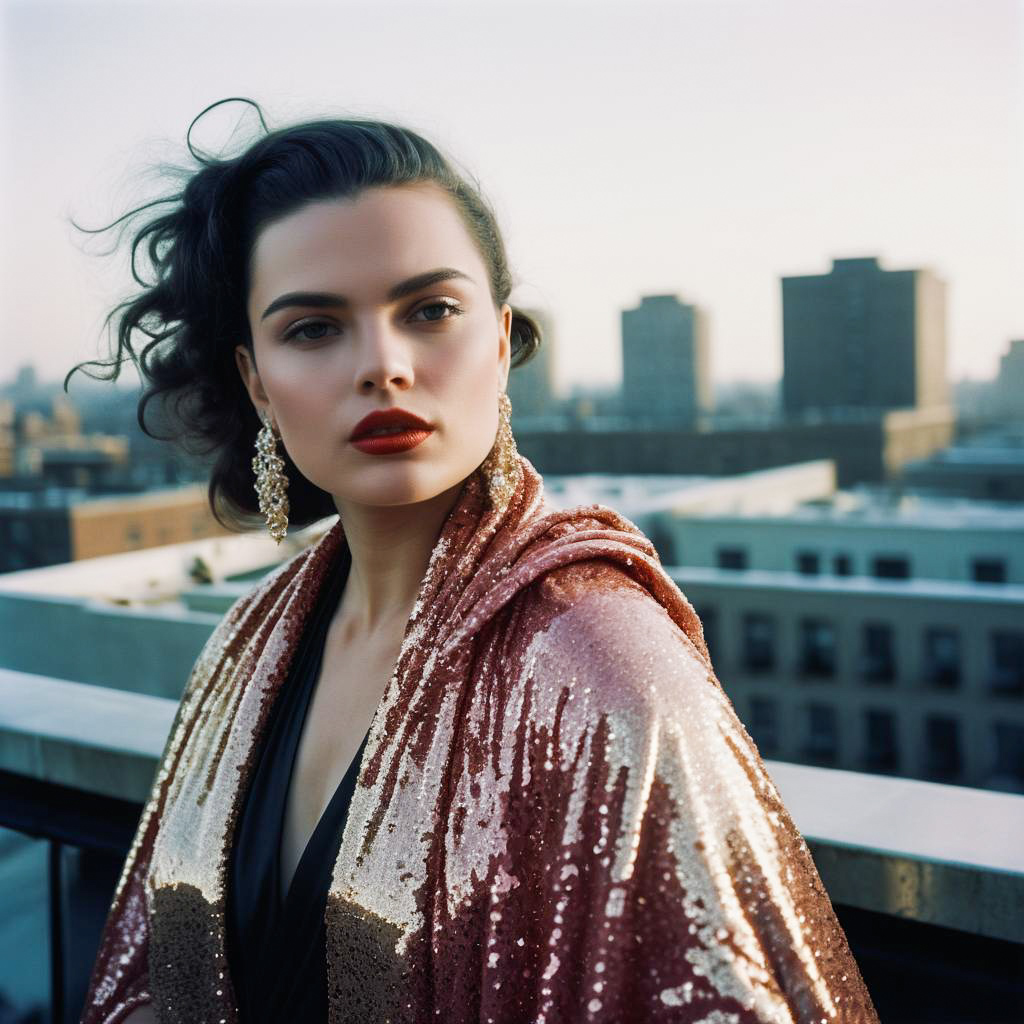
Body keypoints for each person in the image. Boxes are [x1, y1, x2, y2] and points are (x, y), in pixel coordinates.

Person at [74, 98, 880, 1024]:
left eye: (429, 310)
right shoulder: (242, 645)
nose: (383, 365)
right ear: (256, 380)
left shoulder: (602, 668)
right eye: (313, 328)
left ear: (499, 343)